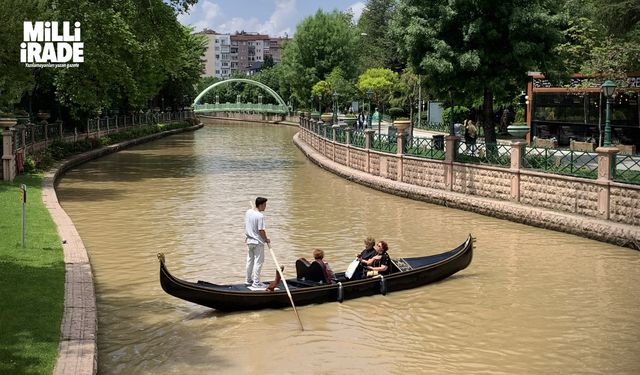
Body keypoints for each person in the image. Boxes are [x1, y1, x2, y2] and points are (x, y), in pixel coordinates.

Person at [244, 197, 270, 288]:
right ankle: (256, 283)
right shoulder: (260, 216)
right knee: (258, 262)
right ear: (261, 205)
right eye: (265, 205)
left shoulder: (248, 212)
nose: (265, 207)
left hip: (249, 241)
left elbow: (248, 225)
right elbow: (261, 230)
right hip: (257, 242)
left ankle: (248, 280)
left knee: (250, 261)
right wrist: (266, 239)